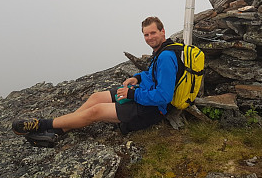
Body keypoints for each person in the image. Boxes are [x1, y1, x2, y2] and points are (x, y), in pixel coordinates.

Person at [12, 16, 179, 141]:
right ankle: (61, 129)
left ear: (162, 31)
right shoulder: (160, 51)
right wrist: (137, 78)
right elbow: (153, 75)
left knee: (96, 111)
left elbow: (164, 96)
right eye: (146, 35)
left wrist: (132, 95)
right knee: (96, 97)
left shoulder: (165, 57)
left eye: (153, 33)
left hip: (152, 109)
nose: (149, 38)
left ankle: (41, 125)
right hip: (143, 93)